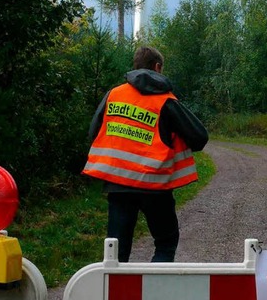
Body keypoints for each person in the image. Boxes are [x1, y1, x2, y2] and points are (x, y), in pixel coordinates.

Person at [82, 46, 208, 262]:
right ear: (157, 67)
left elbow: (94, 131)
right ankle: (154, 293)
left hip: (118, 185)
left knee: (116, 254)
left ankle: (116, 295)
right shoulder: (166, 101)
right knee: (166, 243)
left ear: (136, 65)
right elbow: (199, 137)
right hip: (154, 186)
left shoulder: (114, 94)